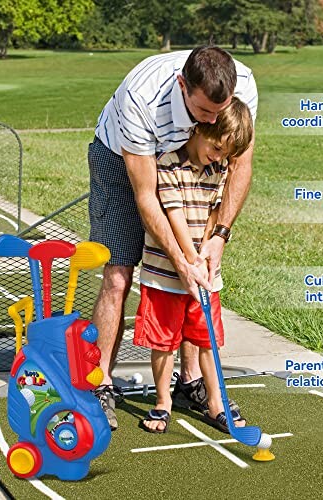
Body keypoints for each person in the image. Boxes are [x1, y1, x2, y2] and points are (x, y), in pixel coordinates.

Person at [88, 46, 257, 430]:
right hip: (122, 156)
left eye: (220, 112)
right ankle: (99, 384)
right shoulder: (140, 97)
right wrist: (180, 261)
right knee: (118, 273)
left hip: (199, 161)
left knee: (194, 284)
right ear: (183, 86)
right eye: (203, 113)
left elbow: (239, 163)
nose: (211, 121)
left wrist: (218, 237)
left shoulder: (244, 85)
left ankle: (190, 381)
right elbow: (148, 196)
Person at [134, 97, 253, 433]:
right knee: (164, 341)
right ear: (200, 128)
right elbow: (174, 217)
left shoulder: (219, 168)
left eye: (225, 155)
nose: (217, 158)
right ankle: (162, 403)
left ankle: (216, 402)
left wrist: (208, 250)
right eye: (215, 148)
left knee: (207, 339)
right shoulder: (168, 164)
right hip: (165, 276)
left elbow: (217, 211)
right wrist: (191, 258)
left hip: (203, 273)